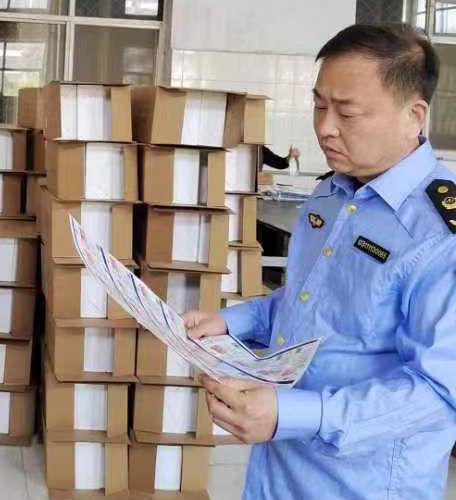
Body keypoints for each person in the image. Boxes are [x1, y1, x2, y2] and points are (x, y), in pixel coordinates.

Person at [183, 24, 456, 499]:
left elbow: (439, 392)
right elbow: (311, 302)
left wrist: (294, 413)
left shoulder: (439, 237)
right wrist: (229, 323)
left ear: (414, 116)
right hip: (279, 468)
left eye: (347, 112)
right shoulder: (331, 194)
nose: (325, 127)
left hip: (361, 483)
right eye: (318, 105)